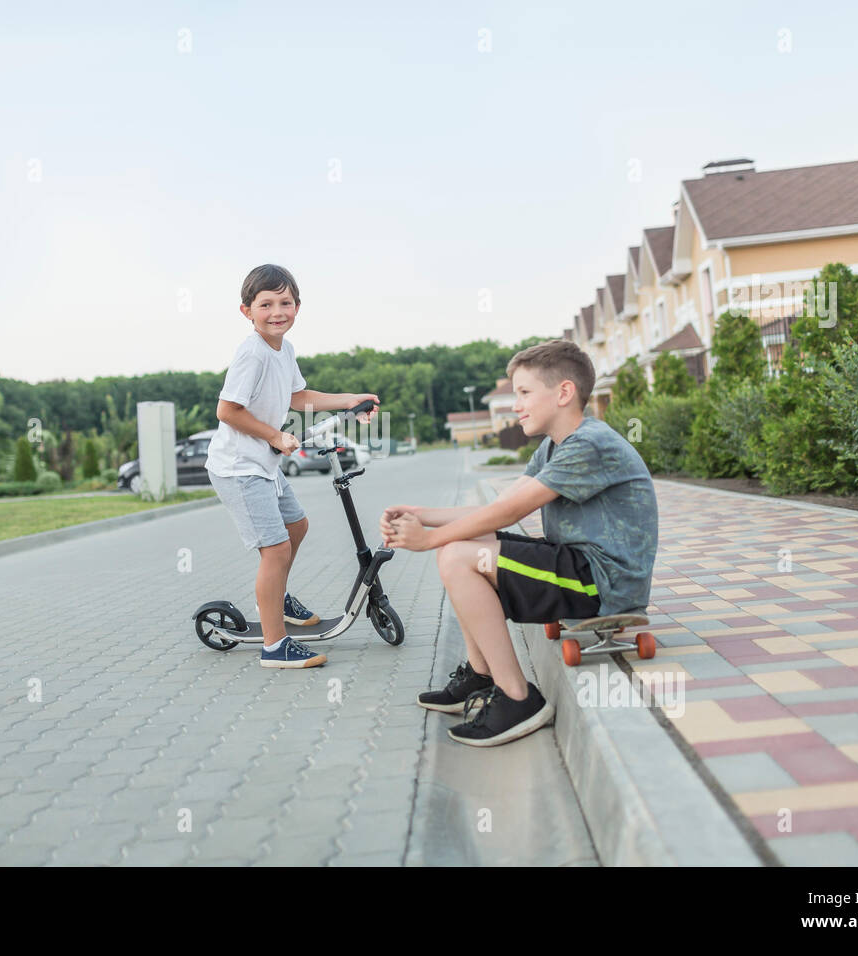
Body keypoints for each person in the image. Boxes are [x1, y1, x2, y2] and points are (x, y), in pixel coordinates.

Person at [381, 340, 658, 747]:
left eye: (525, 393)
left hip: (603, 584)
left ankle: (518, 698)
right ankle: (482, 673)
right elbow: (502, 505)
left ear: (563, 392)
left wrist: (429, 539)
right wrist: (422, 514)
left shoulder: (590, 445)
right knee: (462, 543)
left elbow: (508, 516)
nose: (516, 405)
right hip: (579, 569)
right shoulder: (555, 445)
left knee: (457, 554)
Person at [206, 264, 379, 669]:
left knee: (296, 527)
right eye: (265, 304)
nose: (276, 311)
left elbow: (298, 397)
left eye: (285, 302)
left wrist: (349, 399)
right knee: (276, 550)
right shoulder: (252, 353)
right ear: (247, 311)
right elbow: (227, 410)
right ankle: (274, 647)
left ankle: (276, 598)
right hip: (239, 469)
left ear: (297, 307)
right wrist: (274, 436)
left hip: (262, 466)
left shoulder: (284, 350)